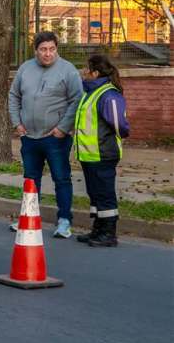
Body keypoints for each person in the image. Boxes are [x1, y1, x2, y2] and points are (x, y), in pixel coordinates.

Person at [8, 31, 83, 238]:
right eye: (43, 50)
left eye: (51, 49)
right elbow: (14, 95)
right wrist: (17, 123)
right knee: (31, 179)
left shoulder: (68, 70)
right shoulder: (25, 68)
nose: (47, 54)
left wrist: (63, 128)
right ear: (36, 50)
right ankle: (29, 217)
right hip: (29, 136)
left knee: (61, 178)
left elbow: (76, 100)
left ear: (56, 49)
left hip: (55, 137)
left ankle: (64, 220)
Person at [73, 54, 129, 247]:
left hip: (103, 154)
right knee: (95, 193)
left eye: (86, 69)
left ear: (95, 73)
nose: (83, 72)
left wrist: (113, 138)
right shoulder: (90, 93)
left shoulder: (108, 94)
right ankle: (98, 229)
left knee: (105, 194)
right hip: (89, 154)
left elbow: (119, 124)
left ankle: (109, 233)